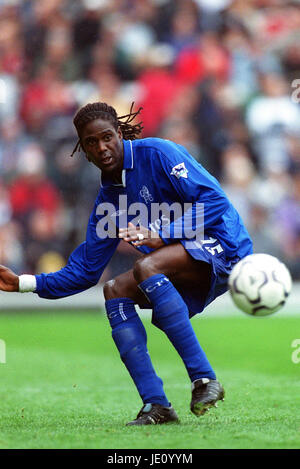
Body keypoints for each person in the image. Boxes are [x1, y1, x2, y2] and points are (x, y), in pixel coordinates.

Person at [0, 102, 253, 426]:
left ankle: (204, 380)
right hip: (183, 260)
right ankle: (156, 405)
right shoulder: (110, 202)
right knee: (114, 290)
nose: (102, 147)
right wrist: (21, 283)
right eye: (92, 142)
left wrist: (162, 234)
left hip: (225, 245)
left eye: (107, 137)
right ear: (84, 149)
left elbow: (216, 201)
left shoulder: (159, 153)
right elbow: (84, 272)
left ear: (119, 133)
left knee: (146, 267)